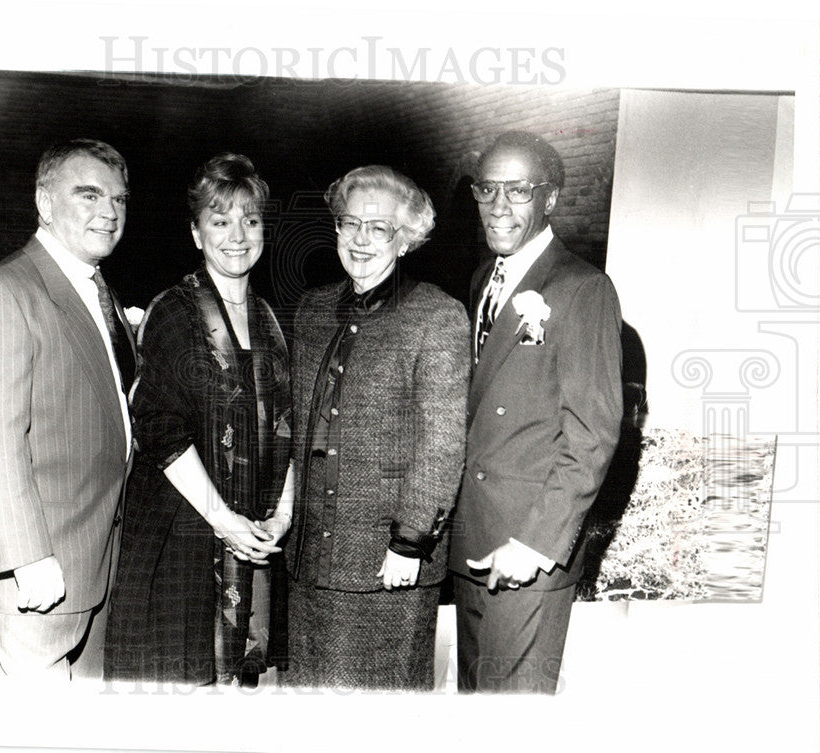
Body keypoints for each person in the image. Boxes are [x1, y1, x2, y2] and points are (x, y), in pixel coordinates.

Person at [104, 153, 294, 686]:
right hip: (185, 533)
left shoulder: (273, 318)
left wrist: (280, 517)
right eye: (220, 220)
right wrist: (224, 520)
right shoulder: (173, 312)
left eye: (250, 221)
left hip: (256, 537)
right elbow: (160, 429)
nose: (237, 235)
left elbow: (293, 428)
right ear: (195, 233)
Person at [0, 138, 135, 679]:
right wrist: (28, 558)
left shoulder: (94, 291)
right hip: (40, 576)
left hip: (94, 564)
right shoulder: (2, 292)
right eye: (89, 195)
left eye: (120, 200)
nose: (109, 212)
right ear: (45, 203)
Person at [448, 131, 623, 693]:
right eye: (487, 189)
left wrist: (536, 545)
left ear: (550, 198)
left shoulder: (582, 289)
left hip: (527, 548)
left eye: (519, 190)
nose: (499, 206)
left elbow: (592, 435)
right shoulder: (484, 279)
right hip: (474, 540)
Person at [285, 165, 468, 690]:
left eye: (380, 228)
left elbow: (442, 441)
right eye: (350, 223)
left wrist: (409, 542)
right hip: (312, 559)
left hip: (387, 562)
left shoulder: (436, 316)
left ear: (405, 240)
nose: (361, 240)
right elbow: (301, 431)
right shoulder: (314, 308)